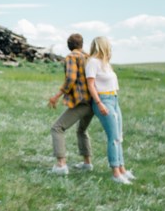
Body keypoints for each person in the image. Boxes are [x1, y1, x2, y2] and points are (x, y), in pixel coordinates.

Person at [85, 36, 135, 185]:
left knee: (119, 136)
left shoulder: (106, 63)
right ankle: (115, 173)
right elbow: (91, 85)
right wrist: (99, 103)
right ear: (103, 46)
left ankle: (122, 169)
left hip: (114, 99)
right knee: (113, 137)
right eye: (109, 45)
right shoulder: (92, 62)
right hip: (103, 100)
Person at [48, 33, 94, 175]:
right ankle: (87, 163)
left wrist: (56, 96)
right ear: (81, 44)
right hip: (92, 101)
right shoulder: (88, 57)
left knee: (57, 128)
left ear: (69, 45)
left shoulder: (72, 57)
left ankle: (61, 165)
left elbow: (71, 78)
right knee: (82, 130)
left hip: (82, 102)